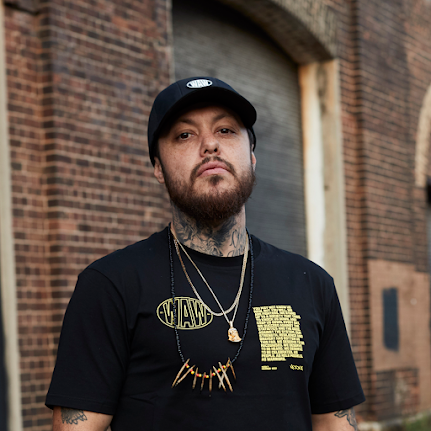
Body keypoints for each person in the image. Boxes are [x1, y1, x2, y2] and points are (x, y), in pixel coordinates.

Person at [46, 77, 365, 430]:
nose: (210, 144)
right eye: (185, 135)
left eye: (226, 130)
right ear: (157, 168)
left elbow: (336, 422)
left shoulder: (311, 284)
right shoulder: (110, 285)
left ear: (252, 156)